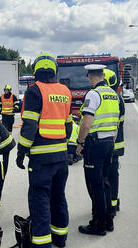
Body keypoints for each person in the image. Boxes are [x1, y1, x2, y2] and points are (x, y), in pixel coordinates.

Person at [16, 52, 72, 248]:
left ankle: (41, 244)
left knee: (39, 200)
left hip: (41, 158)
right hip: (61, 157)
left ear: (36, 71)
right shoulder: (65, 91)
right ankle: (60, 238)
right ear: (54, 71)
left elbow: (30, 126)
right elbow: (68, 125)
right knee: (58, 197)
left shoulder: (34, 90)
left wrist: (21, 151)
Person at [76, 65, 120, 236]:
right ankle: (108, 221)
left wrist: (80, 143)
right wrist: (112, 140)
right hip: (110, 142)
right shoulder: (113, 95)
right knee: (105, 183)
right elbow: (116, 122)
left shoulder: (93, 94)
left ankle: (98, 224)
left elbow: (86, 123)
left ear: (90, 76)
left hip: (95, 144)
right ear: (102, 75)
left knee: (96, 186)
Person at [103, 68, 125, 217]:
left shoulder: (105, 98)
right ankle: (114, 203)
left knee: (105, 176)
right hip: (116, 145)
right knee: (113, 176)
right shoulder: (118, 99)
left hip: (107, 145)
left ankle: (107, 206)